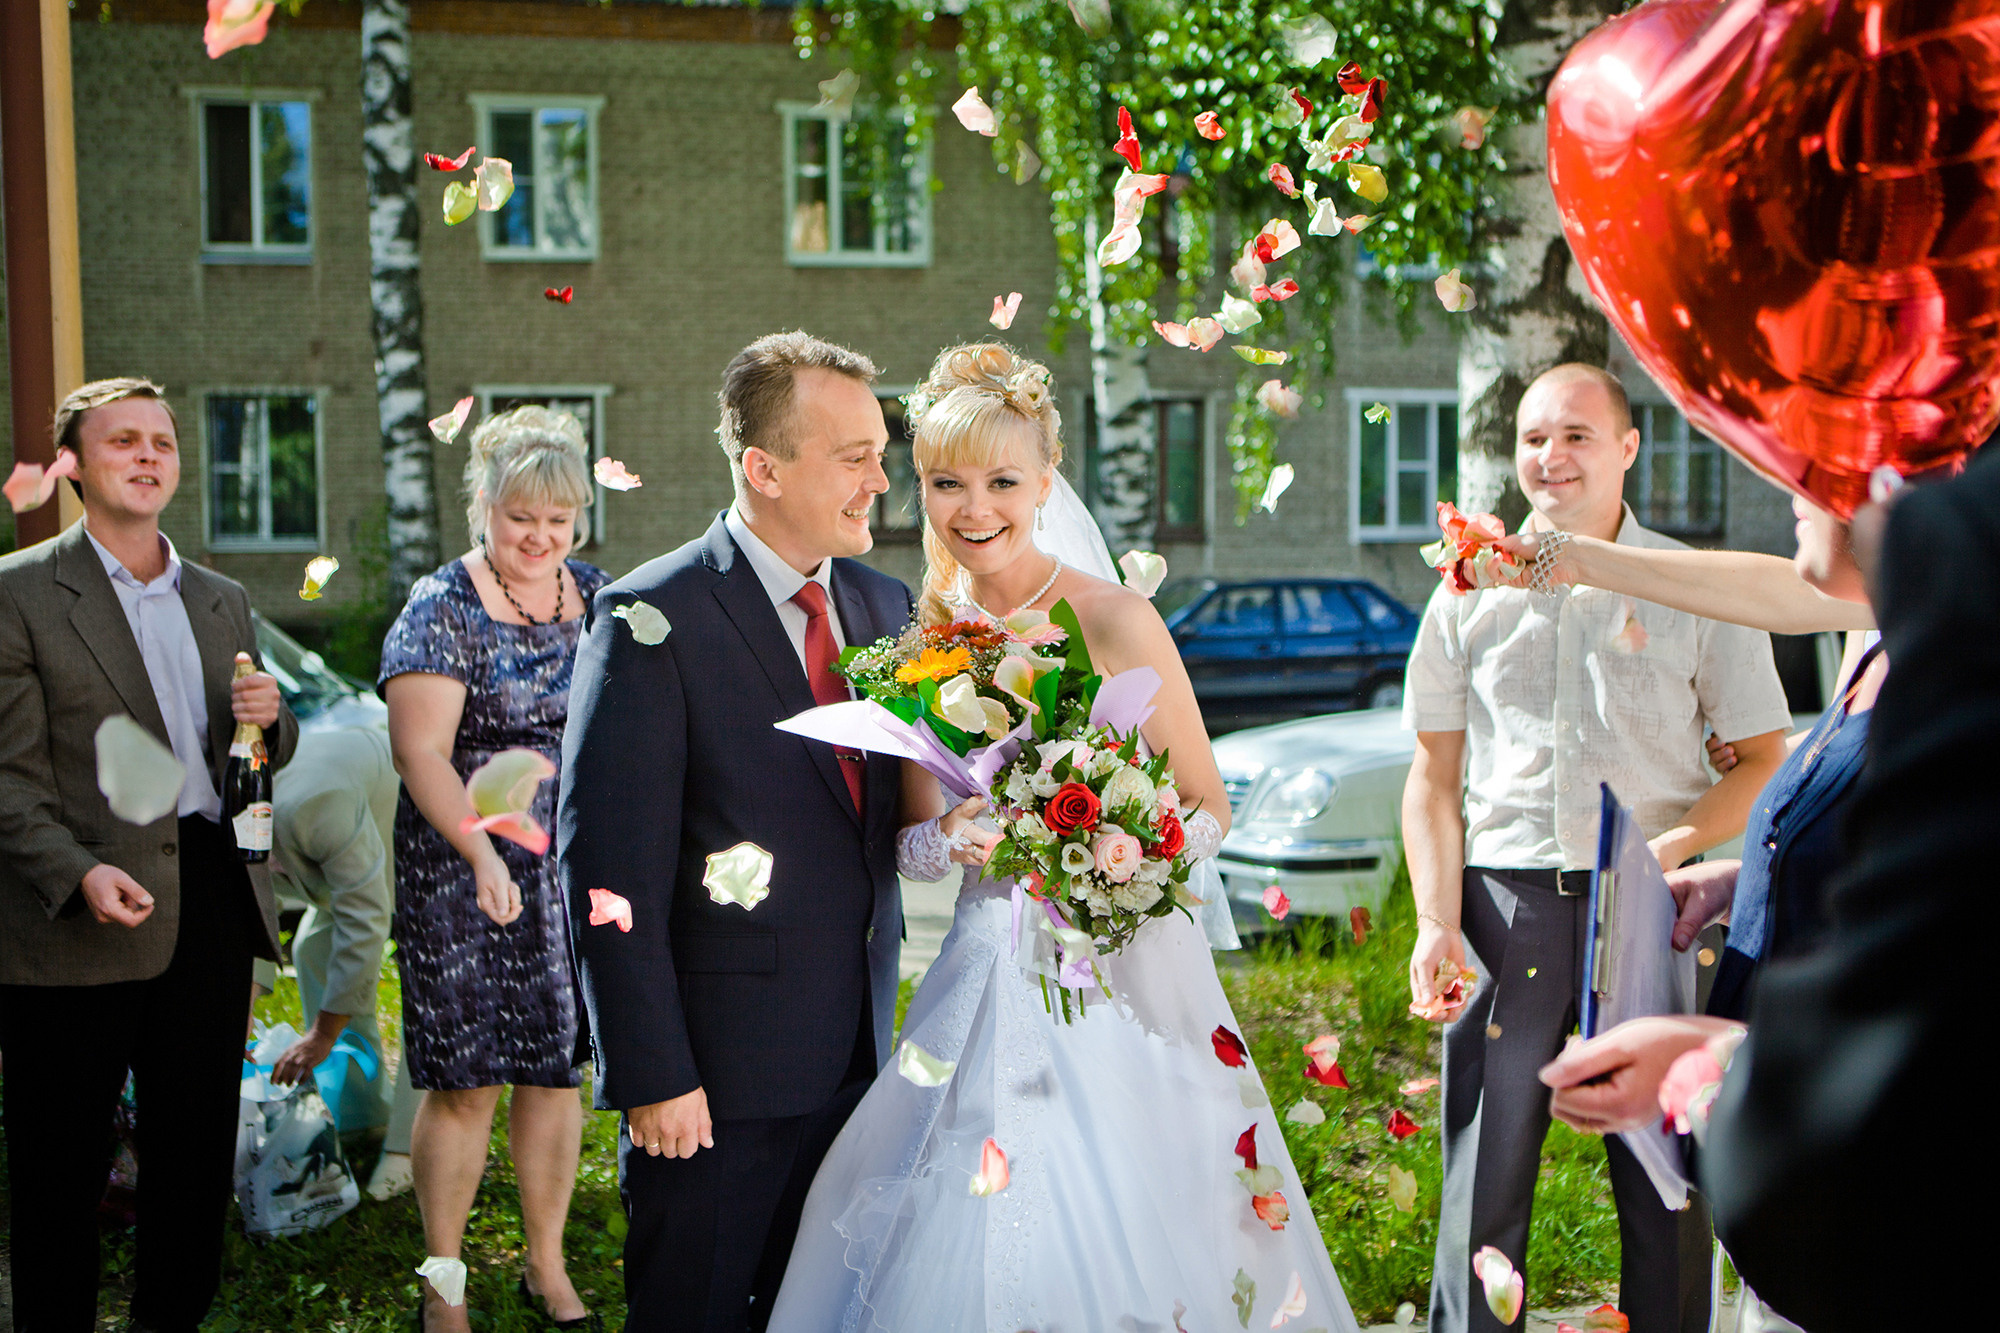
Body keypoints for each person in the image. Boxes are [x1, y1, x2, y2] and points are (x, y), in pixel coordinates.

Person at [766, 343, 1363, 1332]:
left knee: (1144, 1199)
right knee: (974, 1181)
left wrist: (1117, 842)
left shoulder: (1115, 618)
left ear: (1044, 482)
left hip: (1126, 970)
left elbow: (1207, 804)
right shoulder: (926, 647)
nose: (973, 507)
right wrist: (953, 835)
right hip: (985, 964)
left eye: (1001, 480)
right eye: (946, 482)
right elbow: (918, 838)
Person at [1539, 449, 1987, 1332]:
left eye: (1819, 458)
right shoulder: (1888, 635)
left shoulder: (1965, 657)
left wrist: (1715, 1061)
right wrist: (1748, 875)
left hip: (1873, 1207)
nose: (1786, 482)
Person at [1401, 363, 1794, 1333]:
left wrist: (1673, 840)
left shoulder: (1690, 589)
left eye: (1575, 434)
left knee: (1666, 1179)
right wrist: (1433, 919)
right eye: (1534, 437)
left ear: (1626, 447)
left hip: (1656, 906)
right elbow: (1430, 777)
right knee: (1481, 1178)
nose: (1550, 455)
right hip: (1503, 902)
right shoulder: (1464, 592)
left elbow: (1758, 762)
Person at [558, 332, 914, 1333]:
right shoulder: (647, 617)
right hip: (710, 1090)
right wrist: (653, 1072)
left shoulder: (884, 608)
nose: (879, 481)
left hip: (855, 1069)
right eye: (853, 457)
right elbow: (605, 868)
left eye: (879, 453)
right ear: (762, 467)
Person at [0, 377, 297, 1333]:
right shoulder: (20, 593)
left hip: (209, 893)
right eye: (122, 440)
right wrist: (72, 869)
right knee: (59, 1167)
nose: (148, 456)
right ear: (76, 466)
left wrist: (273, 724)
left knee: (196, 1157)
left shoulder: (222, 599)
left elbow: (246, 764)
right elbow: (7, 777)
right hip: (79, 905)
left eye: (162, 442)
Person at [380, 406, 609, 1333]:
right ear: (483, 505)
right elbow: (420, 754)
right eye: (522, 517)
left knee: (555, 1071)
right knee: (467, 1077)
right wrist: (480, 849)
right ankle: (445, 1284)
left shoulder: (594, 597)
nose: (540, 538)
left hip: (566, 866)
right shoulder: (442, 607)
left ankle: (546, 1267)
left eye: (558, 521)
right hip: (461, 865)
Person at [257, 724, 425, 1189]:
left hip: (417, 822)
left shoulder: (314, 807)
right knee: (313, 948)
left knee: (430, 980)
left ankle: (409, 1147)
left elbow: (365, 919)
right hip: (354, 823)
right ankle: (361, 1113)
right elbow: (247, 921)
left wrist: (321, 1034)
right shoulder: (220, 821)